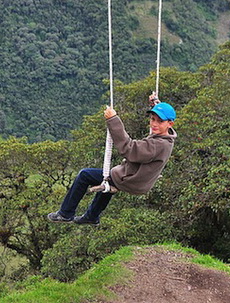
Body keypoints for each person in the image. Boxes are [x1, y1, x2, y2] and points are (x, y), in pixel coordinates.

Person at [47, 94, 177, 226]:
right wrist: (156, 103)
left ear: (169, 124)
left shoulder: (158, 145)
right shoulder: (168, 137)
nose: (154, 124)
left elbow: (129, 148)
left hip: (131, 180)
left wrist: (113, 120)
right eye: (152, 119)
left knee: (85, 175)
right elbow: (163, 120)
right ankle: (92, 216)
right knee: (107, 180)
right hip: (140, 181)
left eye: (159, 121)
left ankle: (65, 214)